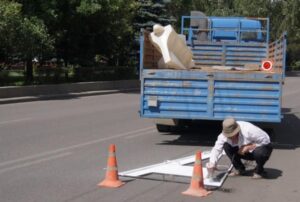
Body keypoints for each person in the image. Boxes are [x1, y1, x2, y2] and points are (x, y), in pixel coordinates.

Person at [207, 118, 273, 179]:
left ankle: (259, 171)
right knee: (226, 146)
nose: (230, 137)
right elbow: (216, 149)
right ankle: (240, 169)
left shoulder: (249, 130)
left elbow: (267, 141)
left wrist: (249, 146)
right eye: (228, 136)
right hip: (242, 151)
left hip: (259, 149)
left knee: (260, 153)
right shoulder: (222, 136)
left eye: (232, 135)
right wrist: (212, 163)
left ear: (237, 131)